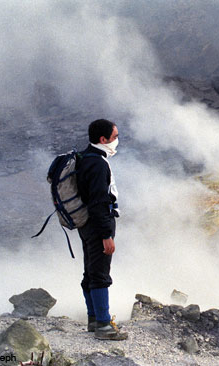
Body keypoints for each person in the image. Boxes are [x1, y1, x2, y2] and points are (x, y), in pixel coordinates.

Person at [77, 119, 127, 340]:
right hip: (98, 225)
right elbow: (98, 202)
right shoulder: (97, 164)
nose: (117, 141)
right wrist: (106, 235)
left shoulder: (85, 158)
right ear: (103, 139)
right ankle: (104, 326)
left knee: (90, 270)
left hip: (86, 224)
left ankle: (93, 319)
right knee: (100, 273)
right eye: (114, 137)